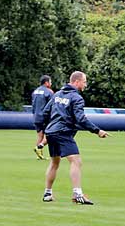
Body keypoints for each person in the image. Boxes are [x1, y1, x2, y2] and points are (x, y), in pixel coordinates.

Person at [40, 71, 109, 204]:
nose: (85, 85)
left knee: (54, 163)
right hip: (63, 132)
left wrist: (49, 128)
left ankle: (47, 193)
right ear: (76, 82)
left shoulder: (57, 94)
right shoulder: (76, 98)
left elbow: (45, 112)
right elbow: (81, 119)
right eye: (84, 82)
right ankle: (77, 194)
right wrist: (97, 131)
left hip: (51, 132)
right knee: (76, 162)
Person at [31, 75, 53, 160]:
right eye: (50, 82)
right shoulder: (49, 92)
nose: (51, 83)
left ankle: (39, 155)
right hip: (45, 117)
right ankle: (40, 148)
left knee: (40, 136)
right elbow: (52, 105)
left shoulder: (35, 91)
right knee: (50, 135)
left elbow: (33, 105)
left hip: (36, 116)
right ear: (46, 82)